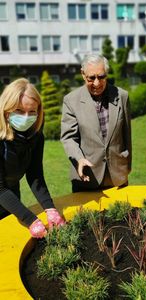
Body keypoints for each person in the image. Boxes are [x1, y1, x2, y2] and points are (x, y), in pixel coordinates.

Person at [0, 78, 65, 238]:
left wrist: (50, 209)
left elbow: (35, 175)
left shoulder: (35, 137)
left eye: (32, 112)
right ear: (6, 110)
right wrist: (31, 220)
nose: (26, 117)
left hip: (10, 196)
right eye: (20, 111)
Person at [61, 53, 132, 191]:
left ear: (107, 74)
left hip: (118, 176)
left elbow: (127, 135)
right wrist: (79, 159)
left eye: (101, 77)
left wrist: (127, 165)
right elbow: (69, 138)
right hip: (87, 177)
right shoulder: (71, 101)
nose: (97, 83)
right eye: (91, 78)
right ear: (83, 74)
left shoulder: (122, 96)